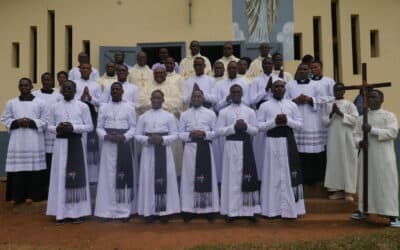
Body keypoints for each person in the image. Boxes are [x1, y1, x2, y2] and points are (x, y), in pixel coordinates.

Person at [46, 80, 93, 225]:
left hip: (76, 145)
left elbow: (90, 126)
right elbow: (49, 126)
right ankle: (60, 213)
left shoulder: (83, 106)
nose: (67, 90)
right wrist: (58, 128)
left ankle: (76, 213)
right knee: (60, 177)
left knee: (75, 177)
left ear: (74, 90)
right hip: (60, 145)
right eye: (64, 88)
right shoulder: (55, 107)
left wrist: (73, 128)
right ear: (61, 90)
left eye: (70, 88)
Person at [258, 79, 305, 219]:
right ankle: (271, 210)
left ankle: (291, 210)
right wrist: (274, 122)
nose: (279, 89)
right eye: (276, 87)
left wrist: (287, 121)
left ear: (285, 89)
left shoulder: (292, 105)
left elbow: (300, 126)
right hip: (272, 143)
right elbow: (259, 126)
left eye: (281, 86)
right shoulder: (264, 106)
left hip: (288, 143)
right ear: (271, 89)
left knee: (288, 174)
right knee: (272, 175)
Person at [351, 90, 399, 227]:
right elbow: (355, 134)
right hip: (366, 156)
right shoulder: (361, 118)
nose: (371, 99)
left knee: (386, 183)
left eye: (374, 97)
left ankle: (391, 214)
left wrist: (372, 130)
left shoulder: (389, 116)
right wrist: (359, 142)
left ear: (381, 100)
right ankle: (364, 210)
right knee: (365, 182)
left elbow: (392, 132)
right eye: (369, 97)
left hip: (384, 156)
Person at [135, 90, 181, 223]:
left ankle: (164, 212)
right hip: (148, 153)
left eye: (158, 98)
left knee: (166, 180)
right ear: (150, 99)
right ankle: (149, 211)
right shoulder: (143, 117)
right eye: (153, 98)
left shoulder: (169, 116)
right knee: (148, 180)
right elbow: (137, 135)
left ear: (163, 100)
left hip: (164, 152)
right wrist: (148, 139)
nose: (155, 100)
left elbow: (175, 135)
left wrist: (162, 139)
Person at [217, 84, 260, 222]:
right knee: (232, 178)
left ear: (242, 94)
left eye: (238, 92)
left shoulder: (250, 111)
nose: (236, 94)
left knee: (246, 176)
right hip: (231, 146)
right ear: (230, 94)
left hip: (246, 146)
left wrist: (246, 126)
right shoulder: (224, 112)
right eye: (233, 92)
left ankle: (249, 210)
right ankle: (231, 210)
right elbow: (218, 131)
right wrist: (233, 127)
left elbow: (256, 130)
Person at [95, 82, 137, 220]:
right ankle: (106, 211)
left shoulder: (129, 108)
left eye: (118, 89)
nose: (115, 91)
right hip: (108, 145)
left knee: (122, 176)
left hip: (123, 145)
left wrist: (124, 136)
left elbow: (133, 128)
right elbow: (99, 127)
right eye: (113, 89)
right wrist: (105, 136)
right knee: (107, 177)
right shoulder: (104, 107)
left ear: (122, 91)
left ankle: (123, 211)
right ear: (110, 92)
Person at [1, 78, 47, 204]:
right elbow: (4, 119)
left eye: (27, 85)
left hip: (34, 140)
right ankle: (17, 196)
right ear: (18, 87)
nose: (24, 87)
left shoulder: (40, 103)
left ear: (31, 86)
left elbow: (45, 120)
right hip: (18, 140)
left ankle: (33, 195)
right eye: (21, 85)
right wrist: (17, 122)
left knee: (34, 168)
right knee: (18, 168)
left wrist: (31, 122)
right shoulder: (11, 102)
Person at [179, 89, 219, 222]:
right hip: (190, 148)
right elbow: (180, 134)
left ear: (203, 98)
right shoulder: (184, 115)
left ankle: (207, 209)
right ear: (191, 99)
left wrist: (204, 134)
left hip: (205, 147)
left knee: (207, 177)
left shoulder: (211, 114)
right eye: (194, 96)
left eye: (199, 96)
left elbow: (216, 132)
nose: (196, 98)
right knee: (190, 179)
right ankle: (189, 210)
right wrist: (190, 134)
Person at [285, 63, 325, 186]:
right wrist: (295, 101)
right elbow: (284, 102)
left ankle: (312, 178)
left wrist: (310, 99)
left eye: (305, 69)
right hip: (295, 122)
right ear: (297, 71)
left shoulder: (316, 85)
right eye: (300, 69)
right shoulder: (290, 85)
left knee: (312, 151)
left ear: (309, 72)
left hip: (311, 122)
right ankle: (297, 178)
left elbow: (323, 100)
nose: (302, 71)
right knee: (297, 151)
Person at [322, 83, 358, 201]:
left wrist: (340, 113)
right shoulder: (329, 105)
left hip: (346, 138)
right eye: (335, 90)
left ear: (344, 91)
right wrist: (332, 113)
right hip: (333, 139)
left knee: (347, 162)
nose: (337, 92)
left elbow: (355, 120)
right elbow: (324, 122)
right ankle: (337, 191)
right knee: (335, 163)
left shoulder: (350, 105)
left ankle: (348, 191)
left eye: (340, 90)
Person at [32, 72, 62, 198]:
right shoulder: (34, 95)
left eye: (49, 80)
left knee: (52, 162)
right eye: (44, 79)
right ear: (41, 80)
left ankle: (53, 190)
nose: (47, 82)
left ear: (53, 81)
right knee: (41, 162)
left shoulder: (59, 95)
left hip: (54, 134)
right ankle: (41, 190)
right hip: (39, 134)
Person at [74, 63, 102, 183]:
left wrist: (90, 98)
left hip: (91, 115)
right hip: (78, 116)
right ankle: (80, 174)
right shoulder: (74, 83)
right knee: (80, 144)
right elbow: (70, 99)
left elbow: (100, 102)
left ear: (91, 71)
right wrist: (81, 97)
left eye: (87, 68)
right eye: (83, 68)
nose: (85, 70)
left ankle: (92, 177)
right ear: (79, 70)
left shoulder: (96, 85)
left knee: (91, 146)